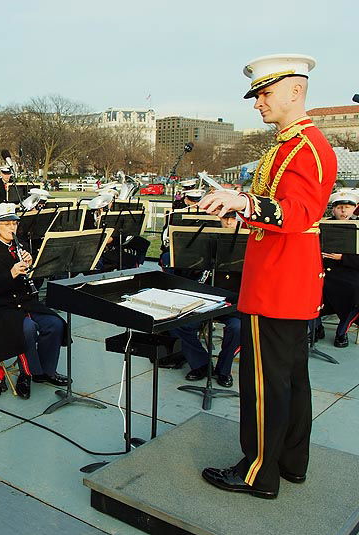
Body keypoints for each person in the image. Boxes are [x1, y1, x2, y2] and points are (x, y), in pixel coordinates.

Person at [198, 54, 337, 499]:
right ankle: (291, 462)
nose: (258, 102)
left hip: (277, 279)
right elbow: (275, 210)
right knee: (290, 376)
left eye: (265, 92)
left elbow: (298, 212)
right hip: (286, 276)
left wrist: (245, 204)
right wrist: (239, 209)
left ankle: (258, 472)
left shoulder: (306, 147)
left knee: (264, 381)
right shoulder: (290, 144)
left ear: (296, 91)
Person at [0, 203, 68, 399]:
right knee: (27, 328)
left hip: (25, 302)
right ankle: (27, 374)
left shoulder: (21, 245)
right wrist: (11, 273)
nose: (12, 228)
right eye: (6, 224)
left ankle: (46, 371)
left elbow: (35, 284)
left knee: (55, 324)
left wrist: (32, 269)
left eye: (14, 223)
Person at [167, 212, 242, 387]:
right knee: (179, 323)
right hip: (205, 299)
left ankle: (224, 369)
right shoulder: (206, 239)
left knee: (237, 328)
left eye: (233, 218)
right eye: (225, 218)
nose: (229, 222)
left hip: (232, 304)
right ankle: (201, 364)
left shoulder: (247, 242)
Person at [320, 191, 359, 347]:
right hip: (324, 272)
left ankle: (342, 332)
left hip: (351, 273)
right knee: (308, 290)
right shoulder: (321, 226)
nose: (343, 211)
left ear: (354, 209)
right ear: (333, 209)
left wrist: (343, 257)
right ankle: (316, 328)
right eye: (339, 207)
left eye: (347, 207)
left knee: (356, 292)